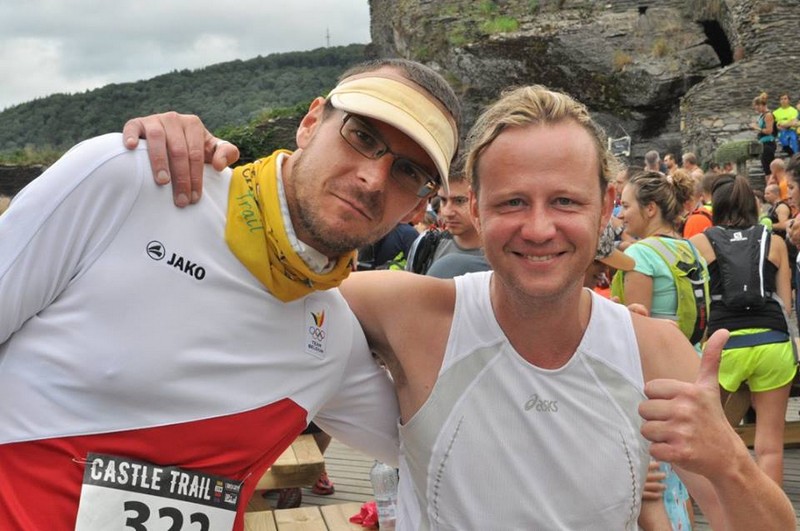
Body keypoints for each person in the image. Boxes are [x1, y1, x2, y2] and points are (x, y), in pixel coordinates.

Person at [134, 85, 796, 530]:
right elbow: (247, 278)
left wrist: (729, 461)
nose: (539, 227)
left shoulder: (654, 352)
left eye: (565, 201)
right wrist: (193, 168)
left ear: (605, 208)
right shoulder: (412, 314)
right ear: (474, 208)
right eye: (513, 202)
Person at [0, 58, 462, 530]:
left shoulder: (333, 335)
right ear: (310, 123)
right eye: (361, 136)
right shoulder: (132, 179)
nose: (373, 178)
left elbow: (451, 458)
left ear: (419, 206)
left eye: (408, 172)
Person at [611, 169, 708, 528]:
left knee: (656, 484)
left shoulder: (641, 255)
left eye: (626, 206)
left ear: (650, 208)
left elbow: (637, 329)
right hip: (690, 366)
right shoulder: (691, 249)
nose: (622, 215)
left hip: (654, 381)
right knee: (682, 481)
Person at [689, 174, 796, 486]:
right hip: (773, 342)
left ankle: (722, 503)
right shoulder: (775, 242)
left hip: (724, 345)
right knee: (770, 446)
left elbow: (696, 303)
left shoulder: (700, 243)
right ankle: (771, 510)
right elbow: (786, 303)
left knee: (710, 435)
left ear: (717, 206)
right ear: (754, 205)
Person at [405, 170, 484, 275]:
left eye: (459, 201)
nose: (447, 212)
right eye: (443, 200)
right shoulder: (426, 244)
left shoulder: (501, 255)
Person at [751, 92, 777, 179]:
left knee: (769, 170)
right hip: (763, 144)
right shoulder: (762, 115)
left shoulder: (768, 115)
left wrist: (757, 128)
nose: (756, 109)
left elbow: (769, 131)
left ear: (761, 105)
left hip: (768, 144)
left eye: (756, 107)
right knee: (766, 170)